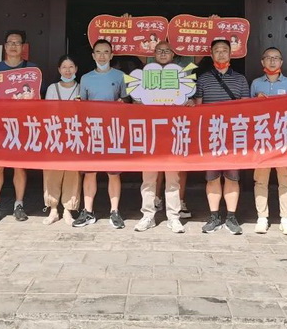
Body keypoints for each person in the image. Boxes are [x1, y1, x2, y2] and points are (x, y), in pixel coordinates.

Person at [134, 41, 192, 234]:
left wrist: (189, 103)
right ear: (154, 54)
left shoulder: (181, 76)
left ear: (173, 54)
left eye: (167, 51)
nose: (163, 53)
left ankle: (173, 217)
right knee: (148, 178)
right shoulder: (144, 76)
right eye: (160, 51)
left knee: (172, 178)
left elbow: (189, 99)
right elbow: (136, 101)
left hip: (172, 133)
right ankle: (148, 216)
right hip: (151, 133)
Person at [195, 39, 250, 235]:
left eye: (224, 50)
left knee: (232, 177)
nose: (221, 54)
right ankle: (214, 216)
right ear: (211, 55)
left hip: (233, 135)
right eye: (217, 50)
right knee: (212, 178)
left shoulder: (241, 80)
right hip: (211, 135)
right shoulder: (203, 79)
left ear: (230, 54)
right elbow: (198, 109)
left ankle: (231, 217)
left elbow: (246, 109)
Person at [73, 39, 128, 229]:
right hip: (92, 130)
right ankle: (88, 212)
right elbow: (82, 104)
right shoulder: (86, 78)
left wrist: (123, 103)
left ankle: (115, 211)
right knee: (90, 172)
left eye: (106, 52)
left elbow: (128, 101)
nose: (102, 56)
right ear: (93, 55)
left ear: (112, 55)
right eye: (98, 52)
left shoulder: (120, 76)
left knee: (113, 173)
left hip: (113, 130)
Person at [0, 30, 37, 225]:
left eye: (17, 43)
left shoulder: (32, 70)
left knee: (19, 166)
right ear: (5, 46)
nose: (14, 46)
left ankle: (19, 204)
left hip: (21, 124)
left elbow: (38, 99)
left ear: (23, 46)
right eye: (10, 42)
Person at [250, 47, 287, 235]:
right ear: (262, 62)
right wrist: (256, 100)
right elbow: (248, 111)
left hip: (283, 138)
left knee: (285, 180)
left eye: (276, 58)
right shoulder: (256, 84)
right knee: (260, 180)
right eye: (268, 58)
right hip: (262, 137)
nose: (272, 61)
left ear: (281, 62)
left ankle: (285, 218)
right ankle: (262, 217)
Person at [42, 54, 82, 226]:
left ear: (76, 69)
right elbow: (46, 111)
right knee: (52, 171)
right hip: (55, 134)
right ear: (59, 69)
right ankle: (53, 209)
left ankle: (68, 209)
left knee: (72, 172)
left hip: (75, 134)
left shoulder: (81, 88)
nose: (68, 70)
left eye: (71, 67)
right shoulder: (52, 88)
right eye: (64, 67)